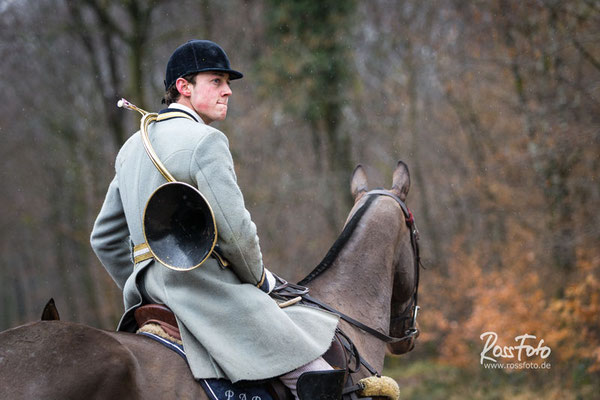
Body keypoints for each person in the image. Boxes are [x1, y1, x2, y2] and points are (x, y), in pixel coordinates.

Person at [90, 40, 343, 399]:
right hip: (206, 293)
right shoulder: (205, 141)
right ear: (184, 86)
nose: (227, 91)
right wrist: (258, 280)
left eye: (228, 83)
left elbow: (103, 238)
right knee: (317, 374)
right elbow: (237, 235)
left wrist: (142, 280)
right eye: (216, 80)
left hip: (146, 301)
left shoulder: (131, 148)